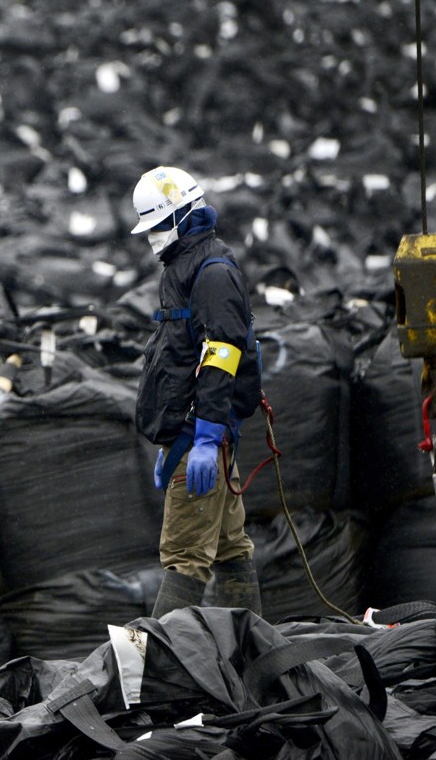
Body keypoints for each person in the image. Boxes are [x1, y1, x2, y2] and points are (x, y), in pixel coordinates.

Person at [129, 166, 264, 617]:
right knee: (229, 547)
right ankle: (251, 650)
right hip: (197, 436)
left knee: (185, 555)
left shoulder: (212, 273)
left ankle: (166, 671)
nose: (153, 238)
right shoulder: (185, 267)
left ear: (184, 216)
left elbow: (222, 354)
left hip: (203, 437)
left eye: (158, 226)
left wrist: (203, 438)